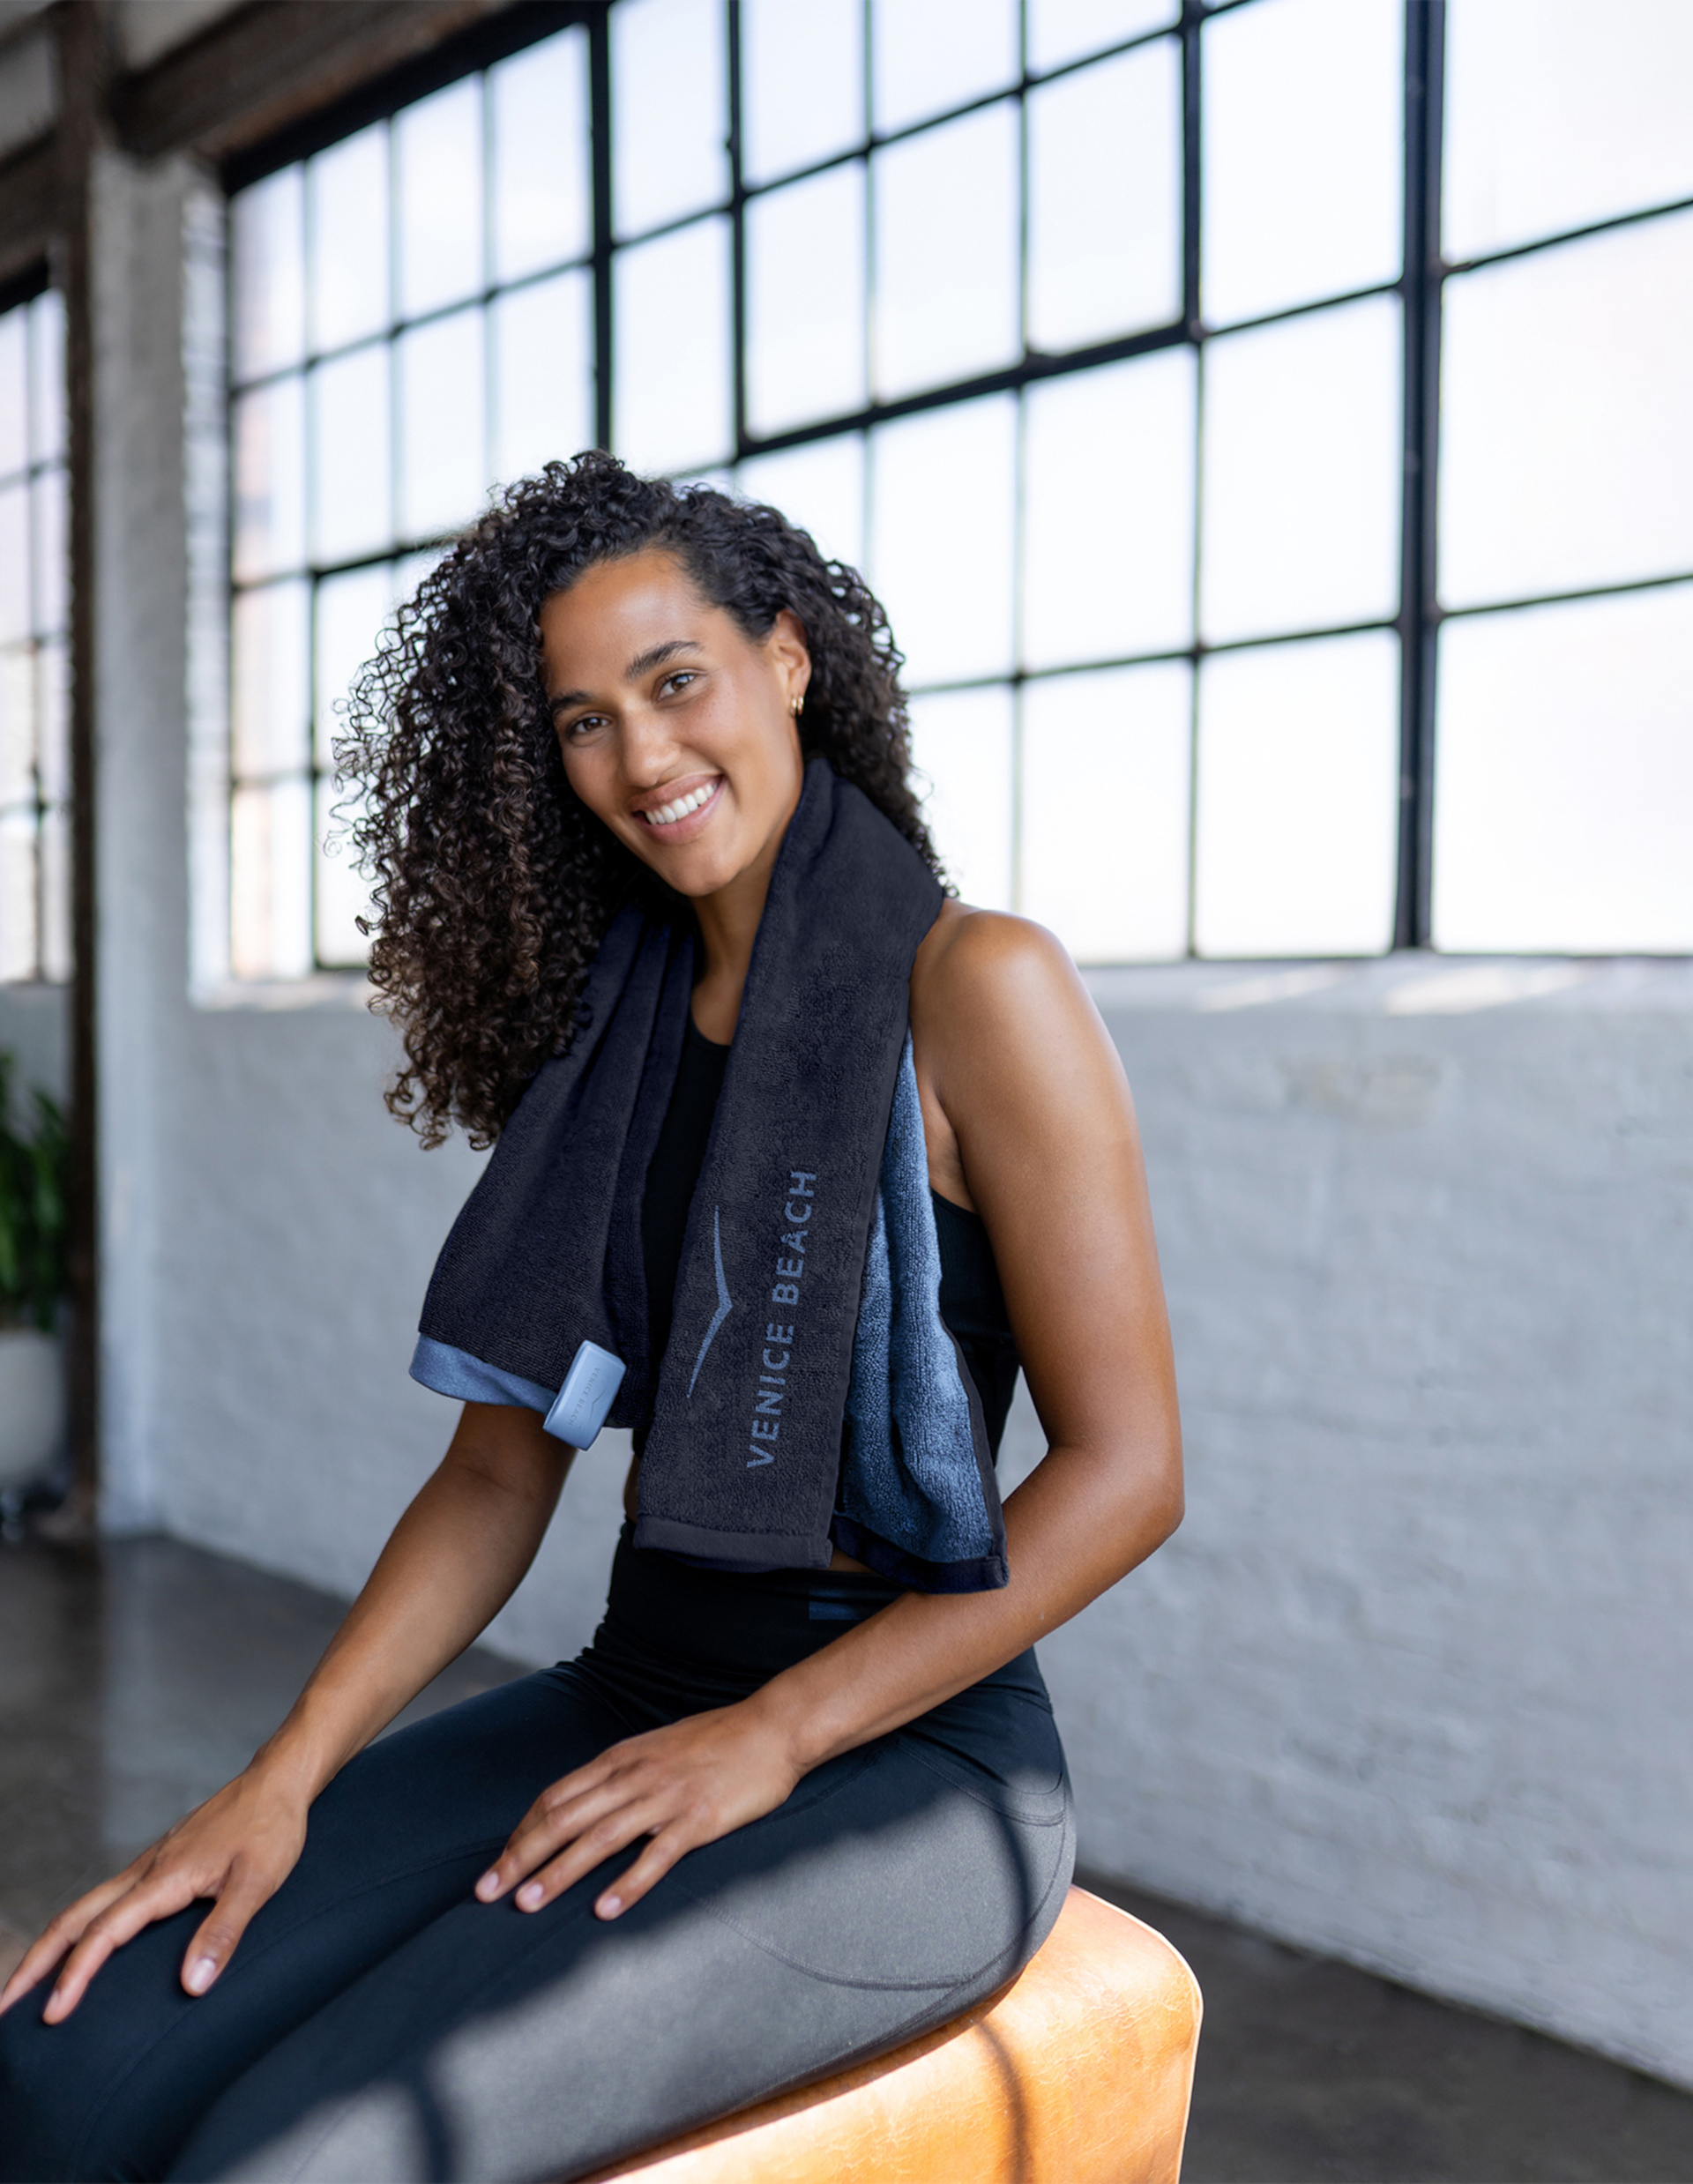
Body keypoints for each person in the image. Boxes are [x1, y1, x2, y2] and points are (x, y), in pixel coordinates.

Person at [0, 453, 1182, 2183]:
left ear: (788, 658)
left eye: (674, 680)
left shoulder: (978, 986)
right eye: (580, 720)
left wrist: (768, 1737)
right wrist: (282, 1780)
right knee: (59, 2061)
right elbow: (497, 1477)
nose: (641, 758)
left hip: (910, 1766)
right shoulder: (614, 1034)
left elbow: (1129, 1471)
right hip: (626, 1691)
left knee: (297, 2161)